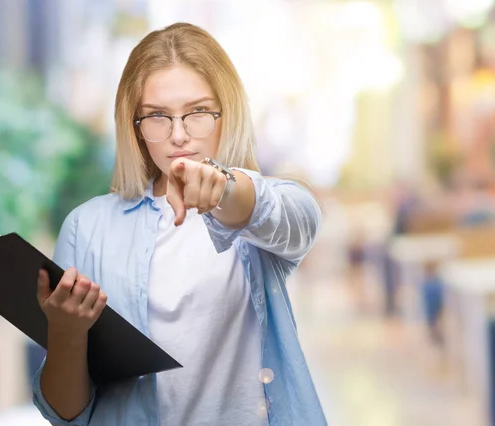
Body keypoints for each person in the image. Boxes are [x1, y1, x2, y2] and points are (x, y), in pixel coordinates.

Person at [31, 22, 326, 426]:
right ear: (135, 127)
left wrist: (224, 189)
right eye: (157, 117)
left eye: (199, 112)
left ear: (227, 112)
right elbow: (65, 414)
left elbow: (298, 217)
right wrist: (66, 335)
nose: (179, 136)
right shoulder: (87, 228)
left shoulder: (256, 210)